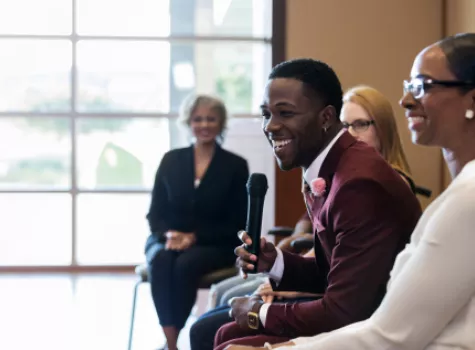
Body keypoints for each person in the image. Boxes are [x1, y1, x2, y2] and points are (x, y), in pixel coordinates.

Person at [226, 32, 475, 350]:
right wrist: (275, 263)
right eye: (408, 86)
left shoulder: (460, 198)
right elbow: (343, 276)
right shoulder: (461, 192)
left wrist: (265, 325)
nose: (406, 100)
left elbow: (386, 334)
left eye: (424, 86)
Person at [213, 58, 422, 349]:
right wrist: (274, 263)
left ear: (325, 118)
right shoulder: (333, 165)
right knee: (225, 333)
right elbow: (334, 273)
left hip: (377, 331)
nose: (271, 126)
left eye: (285, 113)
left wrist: (258, 312)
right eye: (266, 114)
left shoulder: (359, 184)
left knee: (226, 341)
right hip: (356, 315)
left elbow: (344, 311)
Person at [144, 94, 249, 350]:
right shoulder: (171, 160)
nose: (204, 124)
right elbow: (155, 212)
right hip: (167, 238)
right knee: (161, 259)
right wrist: (168, 235)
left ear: (221, 123)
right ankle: (171, 342)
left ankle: (172, 341)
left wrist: (194, 238)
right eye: (198, 119)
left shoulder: (235, 165)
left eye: (211, 119)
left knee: (186, 264)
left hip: (214, 244)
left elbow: (237, 221)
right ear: (188, 122)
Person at [190, 213, 313, 350]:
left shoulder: (338, 201)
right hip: (305, 277)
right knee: (220, 304)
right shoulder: (320, 197)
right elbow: (306, 219)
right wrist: (275, 261)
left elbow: (333, 287)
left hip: (313, 296)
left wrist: (289, 283)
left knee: (205, 331)